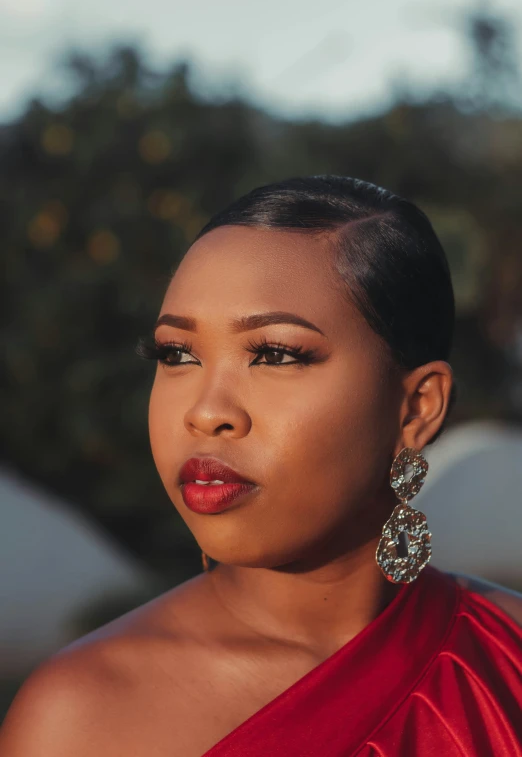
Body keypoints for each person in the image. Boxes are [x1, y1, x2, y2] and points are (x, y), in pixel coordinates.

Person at [1, 175, 521, 756]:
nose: (206, 412)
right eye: (177, 354)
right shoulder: (78, 718)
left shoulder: (509, 662)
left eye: (275, 354)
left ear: (417, 407)